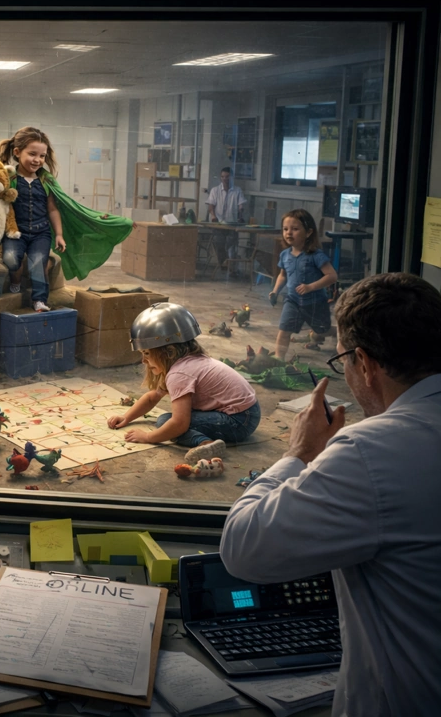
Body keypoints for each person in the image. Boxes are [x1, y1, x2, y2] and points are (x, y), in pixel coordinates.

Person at [220, 272, 441, 716]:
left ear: (365, 363)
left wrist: (299, 453)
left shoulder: (371, 451)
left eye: (343, 361)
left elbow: (243, 549)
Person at [0, 126, 134, 312]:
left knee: (38, 263)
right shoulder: (9, 178)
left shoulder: (46, 180)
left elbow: (53, 209)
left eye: (42, 156)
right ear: (17, 152)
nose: (37, 160)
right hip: (16, 232)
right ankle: (16, 282)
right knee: (11, 259)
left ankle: (39, 300)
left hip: (41, 233)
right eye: (32, 154)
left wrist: (59, 234)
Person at [107, 302, 260, 465]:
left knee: (166, 422)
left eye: (146, 353)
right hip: (248, 413)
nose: (143, 360)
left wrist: (147, 437)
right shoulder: (190, 361)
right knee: (170, 419)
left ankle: (205, 443)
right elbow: (152, 397)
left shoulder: (179, 374)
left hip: (238, 421)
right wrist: (126, 417)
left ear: (169, 352)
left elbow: (179, 424)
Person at [270, 209, 338, 359]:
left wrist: (310, 287)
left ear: (308, 233)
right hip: (292, 301)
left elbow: (332, 276)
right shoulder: (284, 255)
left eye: (295, 229)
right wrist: (275, 291)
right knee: (284, 330)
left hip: (315, 303)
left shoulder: (316, 255)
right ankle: (278, 359)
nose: (289, 233)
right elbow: (283, 275)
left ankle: (338, 332)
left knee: (322, 330)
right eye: (285, 229)